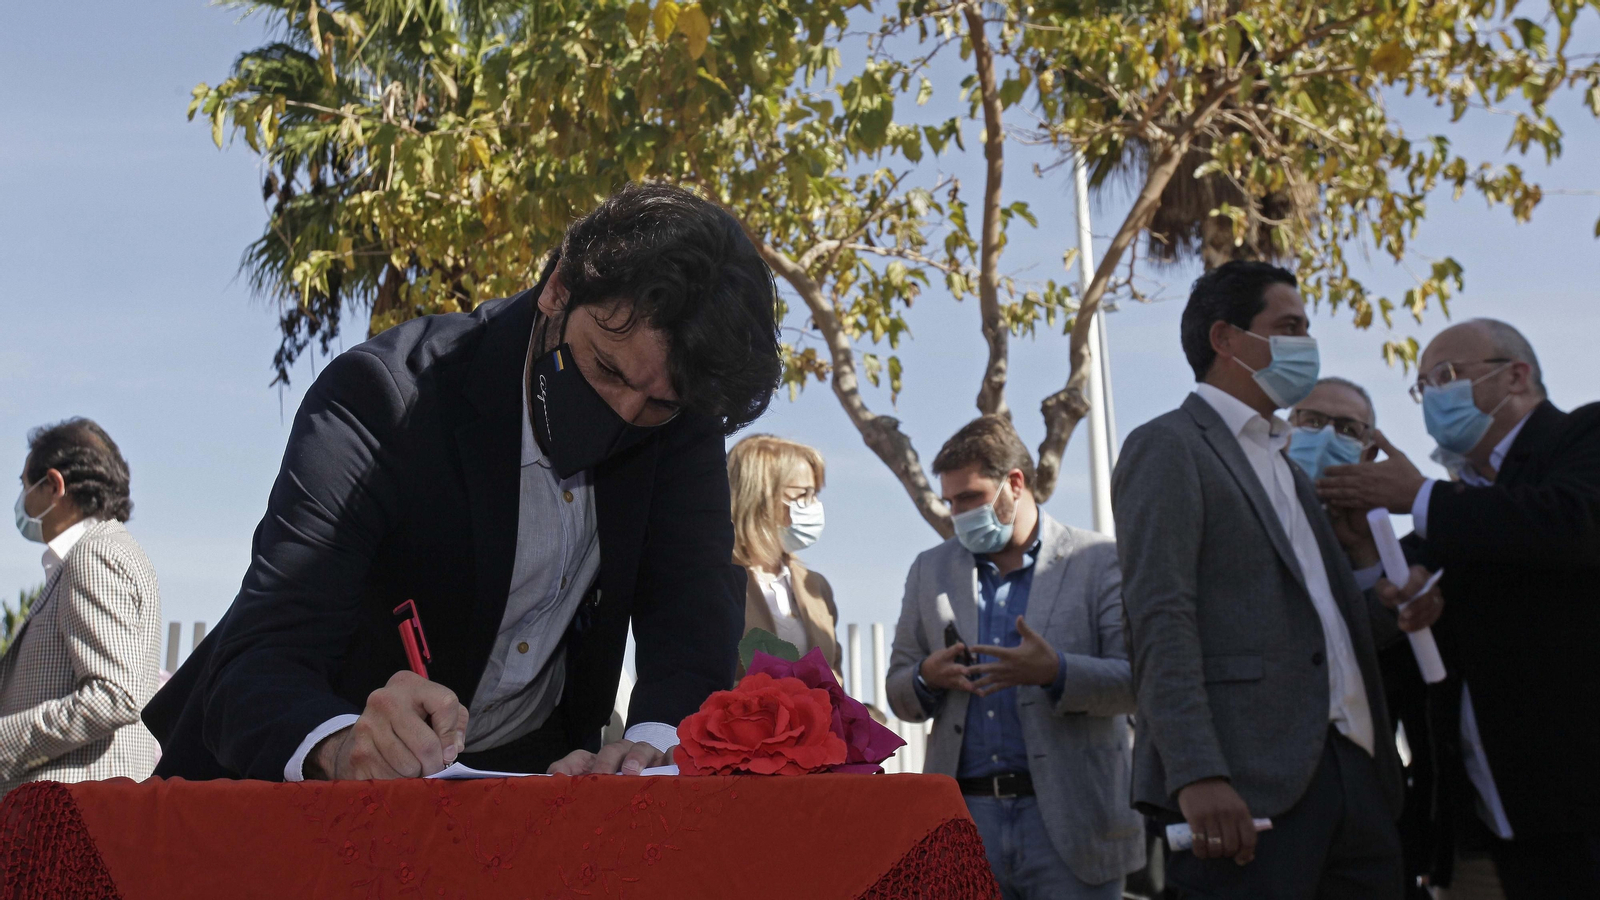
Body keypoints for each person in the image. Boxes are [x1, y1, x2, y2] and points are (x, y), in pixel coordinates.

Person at [144, 183, 782, 782]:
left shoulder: (679, 413)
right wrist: (341, 745)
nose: (623, 415)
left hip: (512, 799)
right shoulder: (385, 399)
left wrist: (652, 748)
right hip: (280, 807)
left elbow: (690, 615)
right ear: (557, 290)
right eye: (605, 369)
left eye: (655, 406)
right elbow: (258, 662)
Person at [1112, 260, 1442, 899]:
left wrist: (1391, 601)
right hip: (1248, 787)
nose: (1306, 345)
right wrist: (1197, 773)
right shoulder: (1171, 446)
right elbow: (1160, 618)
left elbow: (1323, 628)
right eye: (1288, 327)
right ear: (1226, 339)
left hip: (1356, 780)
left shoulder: (1288, 467)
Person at [1317, 318, 1600, 899]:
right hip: (1487, 819)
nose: (1432, 396)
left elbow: (1566, 527)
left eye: (1446, 376)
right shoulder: (1456, 504)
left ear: (1516, 376)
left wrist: (1415, 494)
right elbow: (1408, 608)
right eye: (1423, 386)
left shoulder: (1582, 438)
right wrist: (1377, 557)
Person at [886, 415, 1144, 899]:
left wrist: (1056, 673)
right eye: (950, 501)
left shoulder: (1098, 560)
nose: (956, 514)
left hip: (1073, 826)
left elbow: (1136, 681)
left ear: (1015, 484)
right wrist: (927, 676)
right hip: (965, 824)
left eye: (970, 499)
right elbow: (899, 687)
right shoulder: (931, 570)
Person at [2, 419, 162, 794]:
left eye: (25, 485)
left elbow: (115, 696)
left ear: (54, 485)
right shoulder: (107, 551)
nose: (22, 499)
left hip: (71, 821)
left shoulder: (95, 554)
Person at [726, 435, 841, 682]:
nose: (815, 505)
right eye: (804, 494)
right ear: (760, 496)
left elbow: (835, 674)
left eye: (816, 494)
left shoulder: (816, 586)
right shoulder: (714, 581)